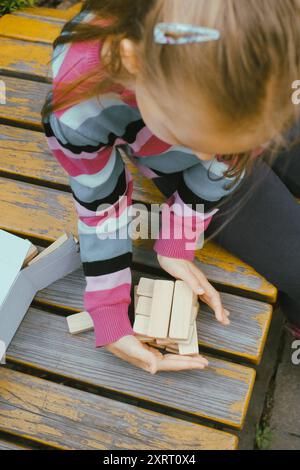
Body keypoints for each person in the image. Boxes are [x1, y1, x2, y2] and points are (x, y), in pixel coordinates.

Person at [42, 0, 300, 374]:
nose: (212, 156)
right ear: (135, 63)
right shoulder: (81, 101)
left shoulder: (276, 59)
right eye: (192, 136)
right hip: (173, 159)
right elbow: (101, 200)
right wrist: (108, 307)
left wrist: (180, 232)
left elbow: (226, 159)